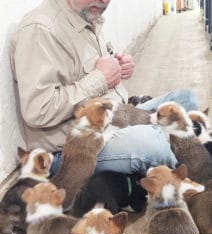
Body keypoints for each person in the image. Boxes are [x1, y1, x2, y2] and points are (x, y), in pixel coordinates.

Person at [10, 0, 198, 176]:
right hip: (76, 150)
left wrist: (119, 67)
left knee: (185, 99)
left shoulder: (87, 13)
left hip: (117, 118)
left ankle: (170, 149)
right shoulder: (40, 30)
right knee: (154, 143)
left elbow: (93, 72)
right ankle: (186, 170)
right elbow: (38, 110)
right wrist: (101, 78)